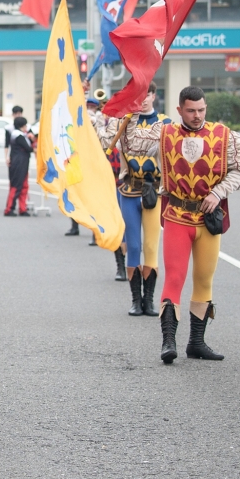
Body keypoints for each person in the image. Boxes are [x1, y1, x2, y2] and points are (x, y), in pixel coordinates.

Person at [156, 86, 240, 364]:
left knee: (204, 279)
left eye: (201, 110)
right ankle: (168, 342)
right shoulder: (164, 133)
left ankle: (196, 343)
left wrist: (217, 193)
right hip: (177, 215)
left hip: (208, 218)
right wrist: (131, 113)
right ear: (179, 110)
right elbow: (132, 143)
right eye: (191, 111)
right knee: (174, 278)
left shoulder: (225, 135)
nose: (197, 115)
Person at [96, 83, 169, 315]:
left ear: (154, 96)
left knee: (151, 246)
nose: (143, 99)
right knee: (133, 246)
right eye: (139, 95)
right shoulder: (123, 122)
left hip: (153, 192)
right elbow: (104, 143)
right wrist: (98, 118)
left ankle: (149, 300)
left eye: (147, 94)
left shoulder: (166, 124)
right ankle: (136, 300)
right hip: (129, 190)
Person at [4, 116, 34, 216]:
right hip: (19, 163)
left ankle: (22, 208)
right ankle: (9, 209)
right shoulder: (18, 135)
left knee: (24, 185)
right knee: (16, 185)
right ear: (22, 126)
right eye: (25, 125)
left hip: (21, 162)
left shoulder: (20, 134)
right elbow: (28, 148)